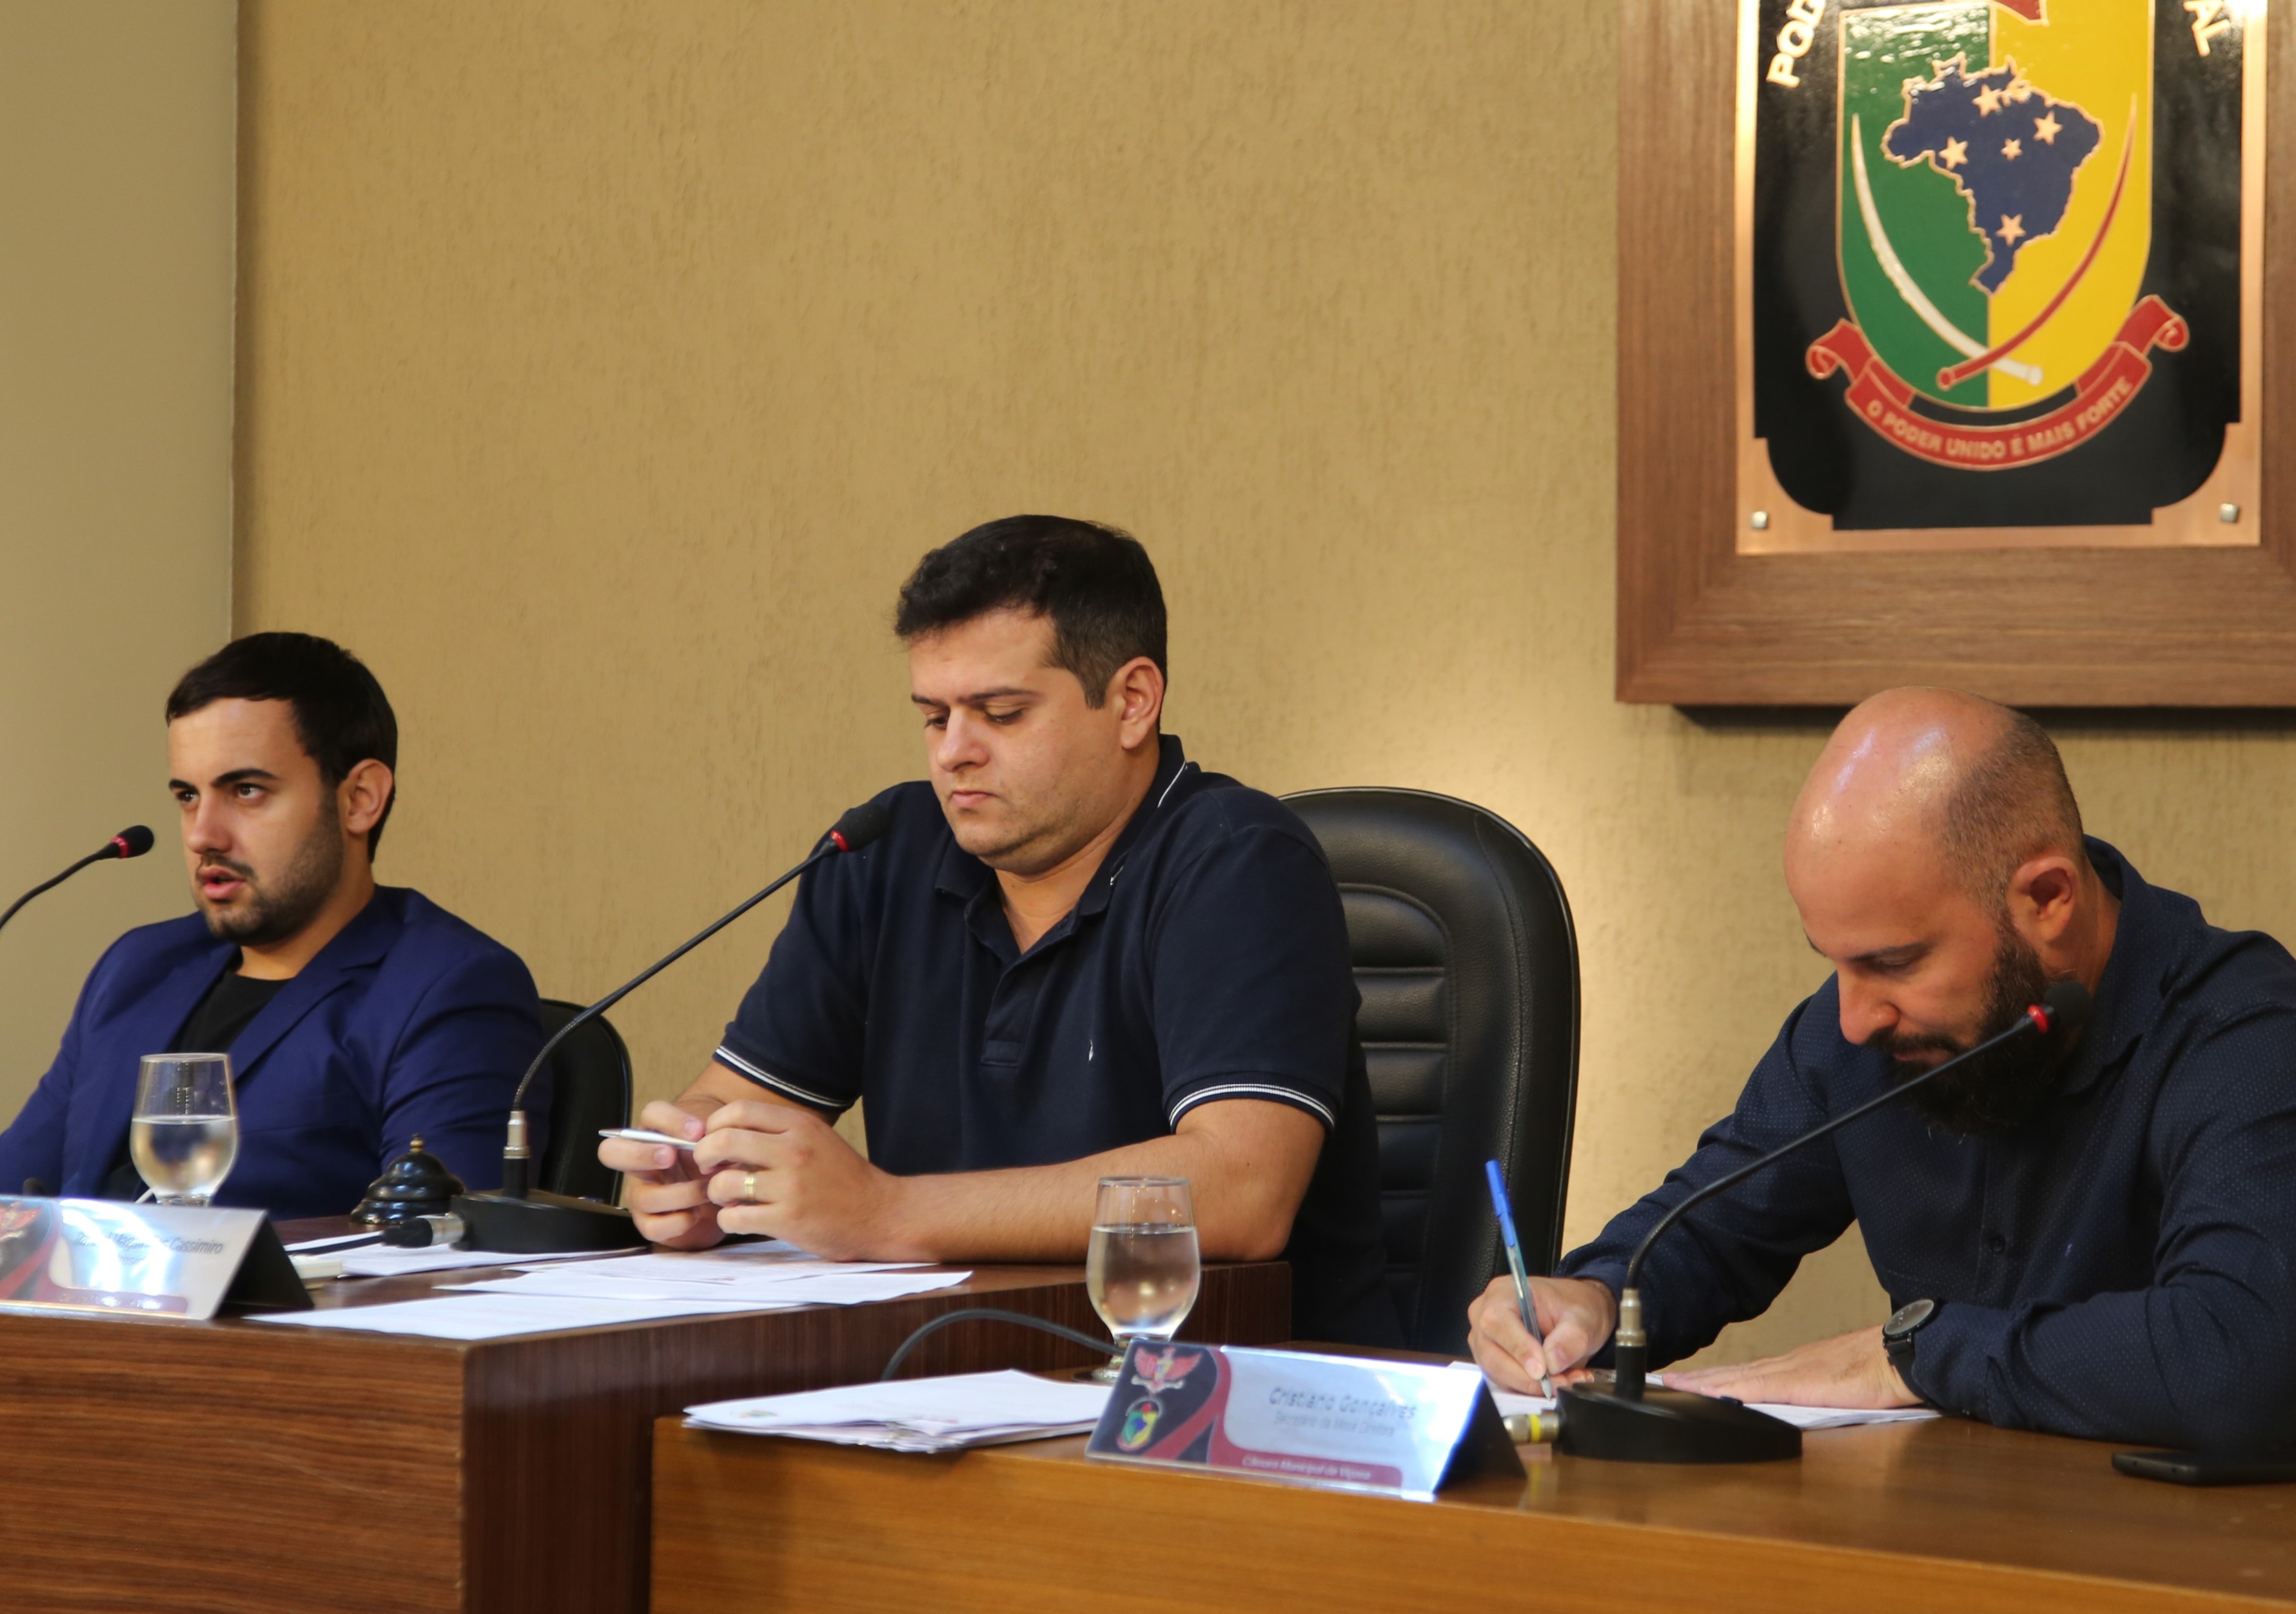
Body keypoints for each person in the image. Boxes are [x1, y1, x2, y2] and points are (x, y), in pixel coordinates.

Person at [1470, 688, 2296, 1449]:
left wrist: (1913, 1350)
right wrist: (1587, 1293)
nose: (1854, 1015)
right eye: (1835, 961)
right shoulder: (1867, 1032)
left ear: (2048, 899)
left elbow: (2240, 1356)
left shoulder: (2248, 1037)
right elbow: (1709, 1225)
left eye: (1894, 963)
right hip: (1941, 1551)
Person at [601, 516, 1399, 1345]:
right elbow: (731, 1103)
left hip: (1228, 1406)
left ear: (1132, 702)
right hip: (946, 1371)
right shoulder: (881, 854)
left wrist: (886, 1212)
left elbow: (1241, 1190)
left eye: (1000, 713)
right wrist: (690, 1170)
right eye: (933, 716)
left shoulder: (1235, 861)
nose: (953, 752)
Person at [0, 634, 547, 1218]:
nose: (201, 834)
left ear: (360, 798)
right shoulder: (139, 967)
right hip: (68, 1306)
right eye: (188, 795)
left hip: (264, 1307)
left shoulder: (448, 987)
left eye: (246, 790)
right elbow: (15, 1189)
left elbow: (440, 1247)